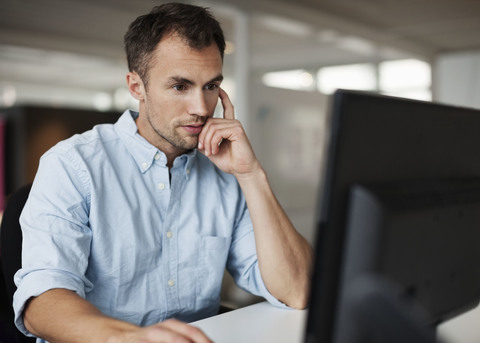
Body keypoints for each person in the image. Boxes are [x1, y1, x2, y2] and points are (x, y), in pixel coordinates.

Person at [12, 3, 313, 343]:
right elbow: (41, 303)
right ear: (136, 86)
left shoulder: (227, 174)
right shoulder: (73, 164)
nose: (201, 108)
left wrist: (251, 174)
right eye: (180, 87)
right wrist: (129, 338)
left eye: (211, 86)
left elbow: (298, 290)